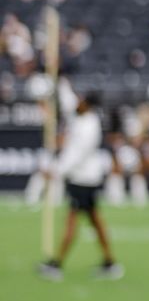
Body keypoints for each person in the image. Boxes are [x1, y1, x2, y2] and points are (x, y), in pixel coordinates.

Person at [38, 83, 123, 281]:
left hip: (83, 180)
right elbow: (67, 100)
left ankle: (56, 263)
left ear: (88, 105)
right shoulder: (80, 116)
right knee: (95, 220)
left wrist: (55, 170)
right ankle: (110, 262)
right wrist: (60, 80)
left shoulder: (89, 128)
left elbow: (76, 156)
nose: (78, 102)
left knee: (72, 220)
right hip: (82, 178)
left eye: (82, 100)